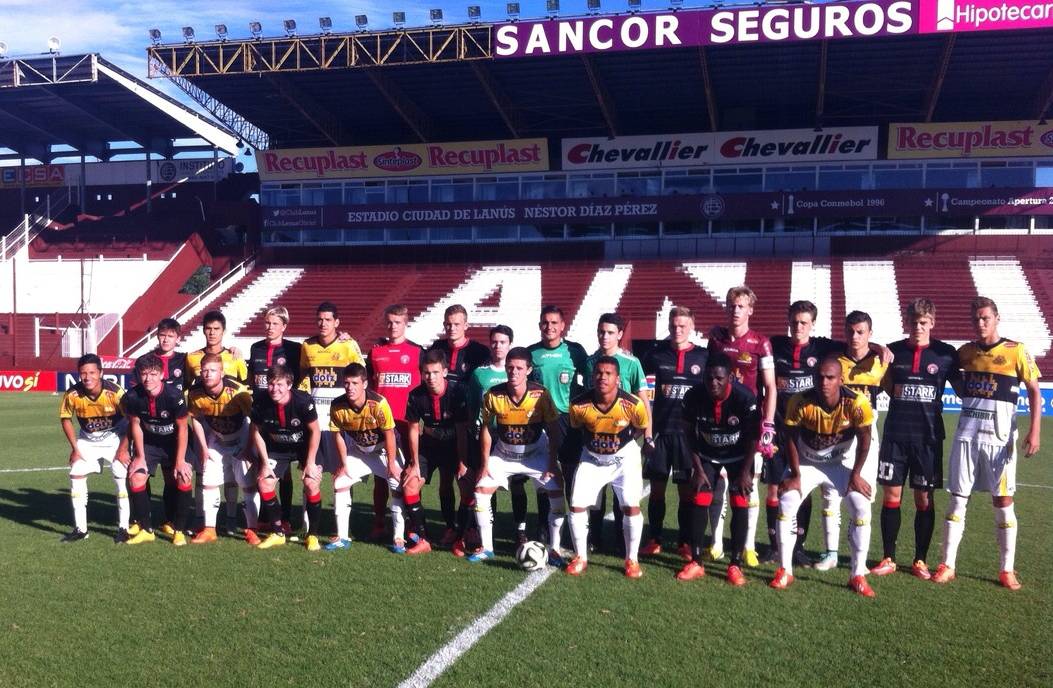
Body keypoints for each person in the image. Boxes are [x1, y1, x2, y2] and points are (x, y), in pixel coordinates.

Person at [933, 297, 1041, 590]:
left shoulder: (1016, 350)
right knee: (957, 499)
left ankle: (1006, 569)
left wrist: (1034, 431)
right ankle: (948, 565)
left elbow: (1034, 390)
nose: (980, 323)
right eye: (976, 319)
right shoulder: (965, 353)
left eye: (985, 318)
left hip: (1000, 440)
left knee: (1003, 502)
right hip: (966, 438)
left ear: (996, 318)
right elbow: (953, 376)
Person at [770, 357, 878, 597]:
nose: (824, 382)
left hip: (839, 464)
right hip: (807, 464)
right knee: (786, 502)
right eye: (820, 377)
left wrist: (856, 474)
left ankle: (857, 575)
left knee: (861, 506)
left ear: (841, 379)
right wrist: (795, 474)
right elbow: (790, 438)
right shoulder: (800, 401)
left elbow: (865, 439)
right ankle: (785, 570)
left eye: (830, 378)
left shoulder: (857, 403)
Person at [869, 299, 960, 580]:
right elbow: (867, 360)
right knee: (891, 496)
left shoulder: (945, 354)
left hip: (928, 439)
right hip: (895, 436)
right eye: (914, 322)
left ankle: (920, 560)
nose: (918, 327)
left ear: (932, 322)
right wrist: (877, 348)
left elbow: (963, 389)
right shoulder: (893, 352)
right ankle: (888, 558)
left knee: (923, 499)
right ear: (907, 323)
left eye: (923, 322)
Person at [469, 347, 566, 564]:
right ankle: (487, 548)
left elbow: (553, 429)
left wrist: (552, 463)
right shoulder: (493, 395)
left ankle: (555, 549)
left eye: (519, 368)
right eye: (510, 367)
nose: (514, 372)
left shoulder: (540, 395)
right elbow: (486, 429)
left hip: (536, 453)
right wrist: (484, 464)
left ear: (529, 370)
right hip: (504, 453)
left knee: (557, 494)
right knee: (481, 490)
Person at [706, 286, 776, 568]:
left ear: (750, 310)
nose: (735, 310)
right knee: (718, 483)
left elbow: (770, 386)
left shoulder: (761, 343)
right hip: (718, 421)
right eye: (731, 305)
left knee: (749, 484)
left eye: (741, 306)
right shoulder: (716, 340)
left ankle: (748, 546)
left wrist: (767, 424)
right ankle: (716, 543)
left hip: (748, 424)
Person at [677, 353, 759, 585]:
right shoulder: (693, 396)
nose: (713, 383)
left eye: (719, 379)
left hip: (739, 456)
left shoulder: (745, 398)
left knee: (740, 501)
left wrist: (745, 472)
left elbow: (754, 437)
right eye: (709, 378)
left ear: (730, 378)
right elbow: (688, 434)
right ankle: (696, 562)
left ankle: (735, 564)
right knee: (700, 497)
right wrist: (698, 469)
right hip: (706, 455)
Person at [565, 356, 650, 578]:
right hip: (592, 459)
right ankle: (580, 557)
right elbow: (578, 428)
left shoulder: (633, 404)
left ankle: (632, 560)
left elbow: (641, 427)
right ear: (592, 376)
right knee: (576, 505)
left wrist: (619, 445)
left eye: (608, 374)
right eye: (599, 373)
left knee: (631, 506)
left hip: (624, 460)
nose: (603, 377)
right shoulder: (578, 405)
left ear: (618, 379)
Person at [328, 363, 425, 553]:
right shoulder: (337, 405)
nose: (350, 387)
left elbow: (389, 434)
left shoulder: (378, 403)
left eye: (355, 383)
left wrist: (391, 464)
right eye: (347, 383)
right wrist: (343, 464)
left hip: (383, 451)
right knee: (340, 482)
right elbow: (337, 435)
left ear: (364, 384)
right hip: (359, 450)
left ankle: (398, 537)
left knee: (397, 485)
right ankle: (342, 536)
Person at [641, 306, 708, 557]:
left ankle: (684, 542)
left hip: (687, 437)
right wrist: (648, 433)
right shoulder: (655, 355)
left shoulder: (703, 356)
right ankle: (654, 538)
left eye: (682, 326)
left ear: (692, 327)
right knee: (656, 490)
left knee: (686, 492)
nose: (677, 330)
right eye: (673, 325)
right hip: (661, 433)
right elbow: (645, 395)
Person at [581, 313, 650, 554]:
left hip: (624, 437)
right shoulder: (590, 362)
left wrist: (646, 435)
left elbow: (643, 402)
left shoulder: (632, 363)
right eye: (601, 331)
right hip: (595, 439)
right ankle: (595, 537)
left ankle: (622, 540)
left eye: (610, 332)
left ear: (620, 334)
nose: (605, 336)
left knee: (623, 493)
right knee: (595, 493)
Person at [298, 301, 364, 542]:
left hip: (339, 422)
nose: (323, 323)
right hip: (315, 423)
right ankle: (307, 527)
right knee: (310, 475)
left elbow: (361, 377)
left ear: (337, 322)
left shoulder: (348, 346)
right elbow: (304, 378)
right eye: (320, 319)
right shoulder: (307, 346)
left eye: (328, 319)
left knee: (341, 475)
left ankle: (342, 530)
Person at [59, 354, 131, 543]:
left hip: (115, 437)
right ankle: (81, 529)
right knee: (76, 473)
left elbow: (132, 420)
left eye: (92, 372)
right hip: (87, 439)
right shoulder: (73, 394)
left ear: (101, 373)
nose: (87, 377)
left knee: (120, 475)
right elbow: (65, 419)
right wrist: (75, 448)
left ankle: (123, 528)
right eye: (83, 373)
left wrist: (123, 449)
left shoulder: (115, 392)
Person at [121, 354, 192, 546]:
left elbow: (183, 428)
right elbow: (135, 425)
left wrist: (180, 460)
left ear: (161, 375)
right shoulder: (133, 396)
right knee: (136, 477)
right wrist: (140, 456)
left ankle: (178, 530)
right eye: (144, 374)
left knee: (182, 477)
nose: (148, 379)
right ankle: (146, 529)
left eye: (153, 374)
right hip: (150, 442)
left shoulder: (174, 396)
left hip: (174, 442)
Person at [186, 354, 257, 545]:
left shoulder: (238, 391)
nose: (208, 374)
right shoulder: (195, 392)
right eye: (204, 370)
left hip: (241, 437)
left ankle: (252, 529)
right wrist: (203, 447)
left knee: (247, 484)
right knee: (208, 481)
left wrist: (249, 448)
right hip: (216, 438)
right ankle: (210, 529)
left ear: (222, 372)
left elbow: (254, 421)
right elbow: (196, 419)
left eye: (213, 370)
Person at [249, 364, 321, 550]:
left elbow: (315, 431)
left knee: (311, 483)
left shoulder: (303, 401)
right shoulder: (260, 401)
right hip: (277, 448)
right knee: (264, 482)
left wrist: (310, 462)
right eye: (271, 384)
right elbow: (256, 432)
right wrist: (265, 463)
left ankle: (313, 535)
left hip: (304, 446)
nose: (274, 389)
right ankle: (278, 532)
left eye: (280, 384)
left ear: (289, 385)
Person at [405, 350, 470, 553]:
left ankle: (459, 537)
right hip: (429, 446)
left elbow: (462, 431)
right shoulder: (416, 395)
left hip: (454, 446)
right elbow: (413, 429)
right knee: (410, 485)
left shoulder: (458, 392)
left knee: (464, 486)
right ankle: (422, 538)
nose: (430, 377)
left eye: (435, 372)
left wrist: (463, 462)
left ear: (444, 372)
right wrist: (415, 463)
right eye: (426, 372)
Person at [369, 304, 424, 541]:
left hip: (407, 423)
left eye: (397, 322)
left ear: (406, 323)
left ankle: (412, 523)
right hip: (382, 424)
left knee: (411, 474)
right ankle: (379, 522)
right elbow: (369, 385)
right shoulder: (375, 352)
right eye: (389, 322)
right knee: (382, 476)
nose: (393, 326)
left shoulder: (417, 352)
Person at [247, 306, 302, 534]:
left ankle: (286, 517)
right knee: (262, 464)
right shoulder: (256, 348)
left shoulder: (294, 349)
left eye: (275, 324)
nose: (270, 327)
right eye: (267, 323)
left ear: (284, 326)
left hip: (285, 415)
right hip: (261, 412)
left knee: (284, 470)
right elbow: (252, 379)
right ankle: (265, 516)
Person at [134, 318, 188, 533]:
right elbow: (136, 394)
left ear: (178, 338)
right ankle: (141, 519)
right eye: (162, 335)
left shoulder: (185, 360)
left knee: (171, 476)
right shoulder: (145, 361)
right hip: (148, 429)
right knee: (139, 473)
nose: (165, 339)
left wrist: (233, 351)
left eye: (170, 336)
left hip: (173, 429)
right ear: (157, 336)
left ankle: (171, 520)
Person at [465, 325, 515, 552]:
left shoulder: (516, 371)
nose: (498, 346)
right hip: (486, 435)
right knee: (485, 481)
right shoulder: (479, 374)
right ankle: (487, 531)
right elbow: (472, 405)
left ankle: (520, 529)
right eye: (494, 342)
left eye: (503, 342)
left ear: (510, 344)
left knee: (517, 486)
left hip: (512, 437)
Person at [185, 310, 248, 386]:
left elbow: (246, 385)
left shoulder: (235, 356)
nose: (212, 333)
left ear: (224, 331)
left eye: (216, 329)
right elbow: (185, 387)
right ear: (203, 330)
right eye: (208, 328)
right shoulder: (191, 358)